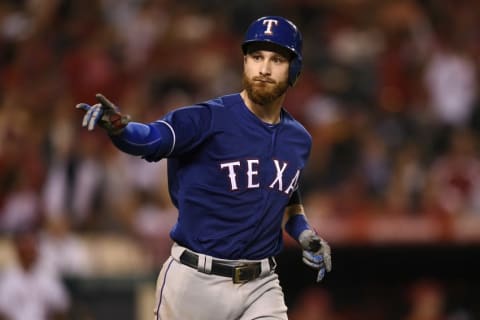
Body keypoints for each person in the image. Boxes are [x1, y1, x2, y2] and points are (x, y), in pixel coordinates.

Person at [76, 15, 332, 320]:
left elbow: (285, 192)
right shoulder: (207, 119)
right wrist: (120, 129)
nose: (263, 68)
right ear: (245, 63)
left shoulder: (298, 139)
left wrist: (304, 233)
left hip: (261, 285)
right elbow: (152, 139)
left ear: (295, 70)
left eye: (276, 59)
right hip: (196, 281)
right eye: (256, 57)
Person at [0, 226, 70, 320]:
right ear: (18, 250)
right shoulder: (7, 277)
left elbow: (61, 307)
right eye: (25, 246)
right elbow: (2, 312)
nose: (29, 250)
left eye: (32, 246)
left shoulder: (48, 275)